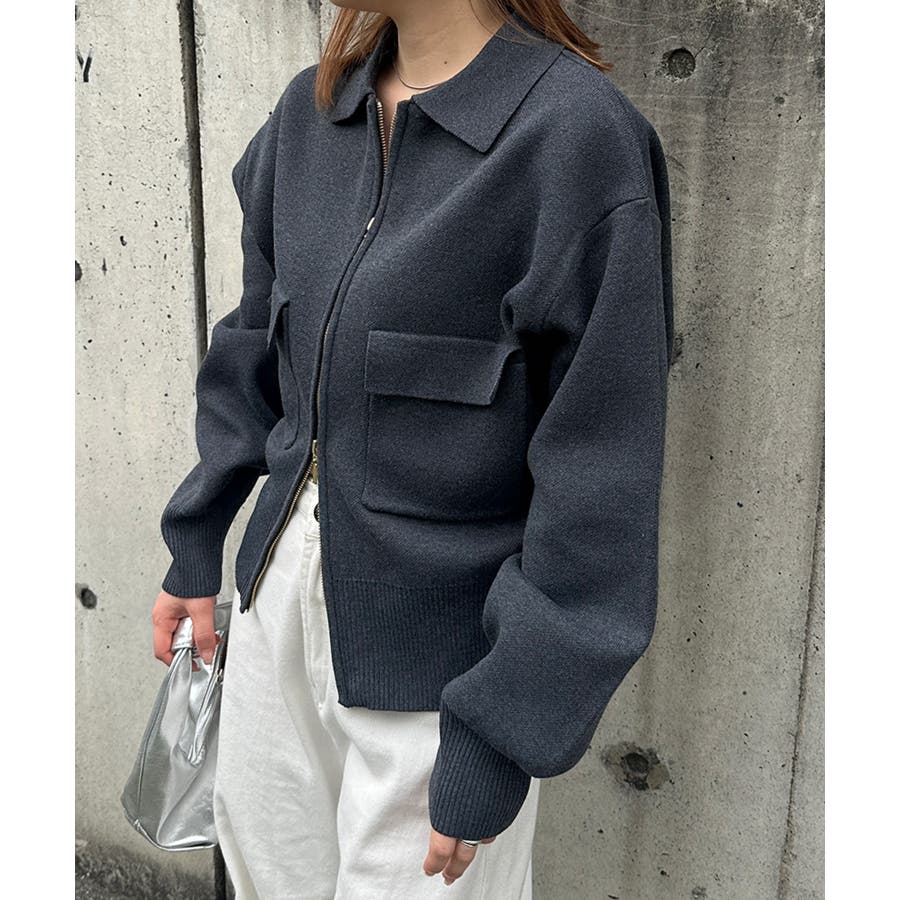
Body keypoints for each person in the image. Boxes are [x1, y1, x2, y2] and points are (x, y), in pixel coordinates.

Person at [151, 1, 674, 897]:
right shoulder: (310, 115)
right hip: (274, 623)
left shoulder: (576, 139)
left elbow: (601, 481)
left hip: (447, 682)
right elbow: (252, 348)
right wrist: (197, 539)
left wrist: (500, 731)